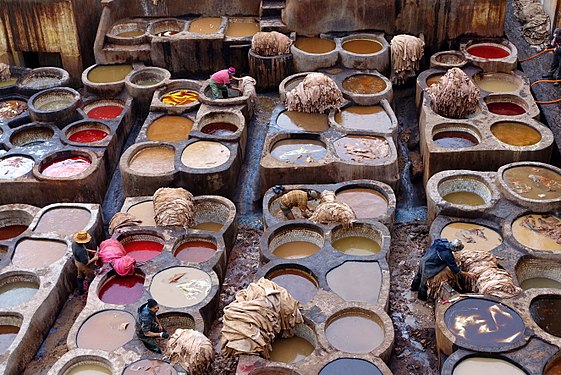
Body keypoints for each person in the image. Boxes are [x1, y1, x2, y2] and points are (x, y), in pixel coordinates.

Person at [411, 238, 475, 301]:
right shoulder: (447, 255)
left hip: (424, 259)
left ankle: (413, 288)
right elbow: (456, 270)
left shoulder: (442, 241)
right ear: (455, 249)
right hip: (428, 266)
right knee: (424, 282)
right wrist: (468, 274)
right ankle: (421, 298)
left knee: (418, 274)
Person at [72, 231, 98, 295]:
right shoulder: (81, 251)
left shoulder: (74, 243)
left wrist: (90, 251)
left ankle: (80, 291)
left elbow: (83, 248)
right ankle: (90, 291)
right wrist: (95, 258)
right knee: (91, 277)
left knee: (80, 276)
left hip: (77, 262)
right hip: (82, 265)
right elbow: (86, 263)